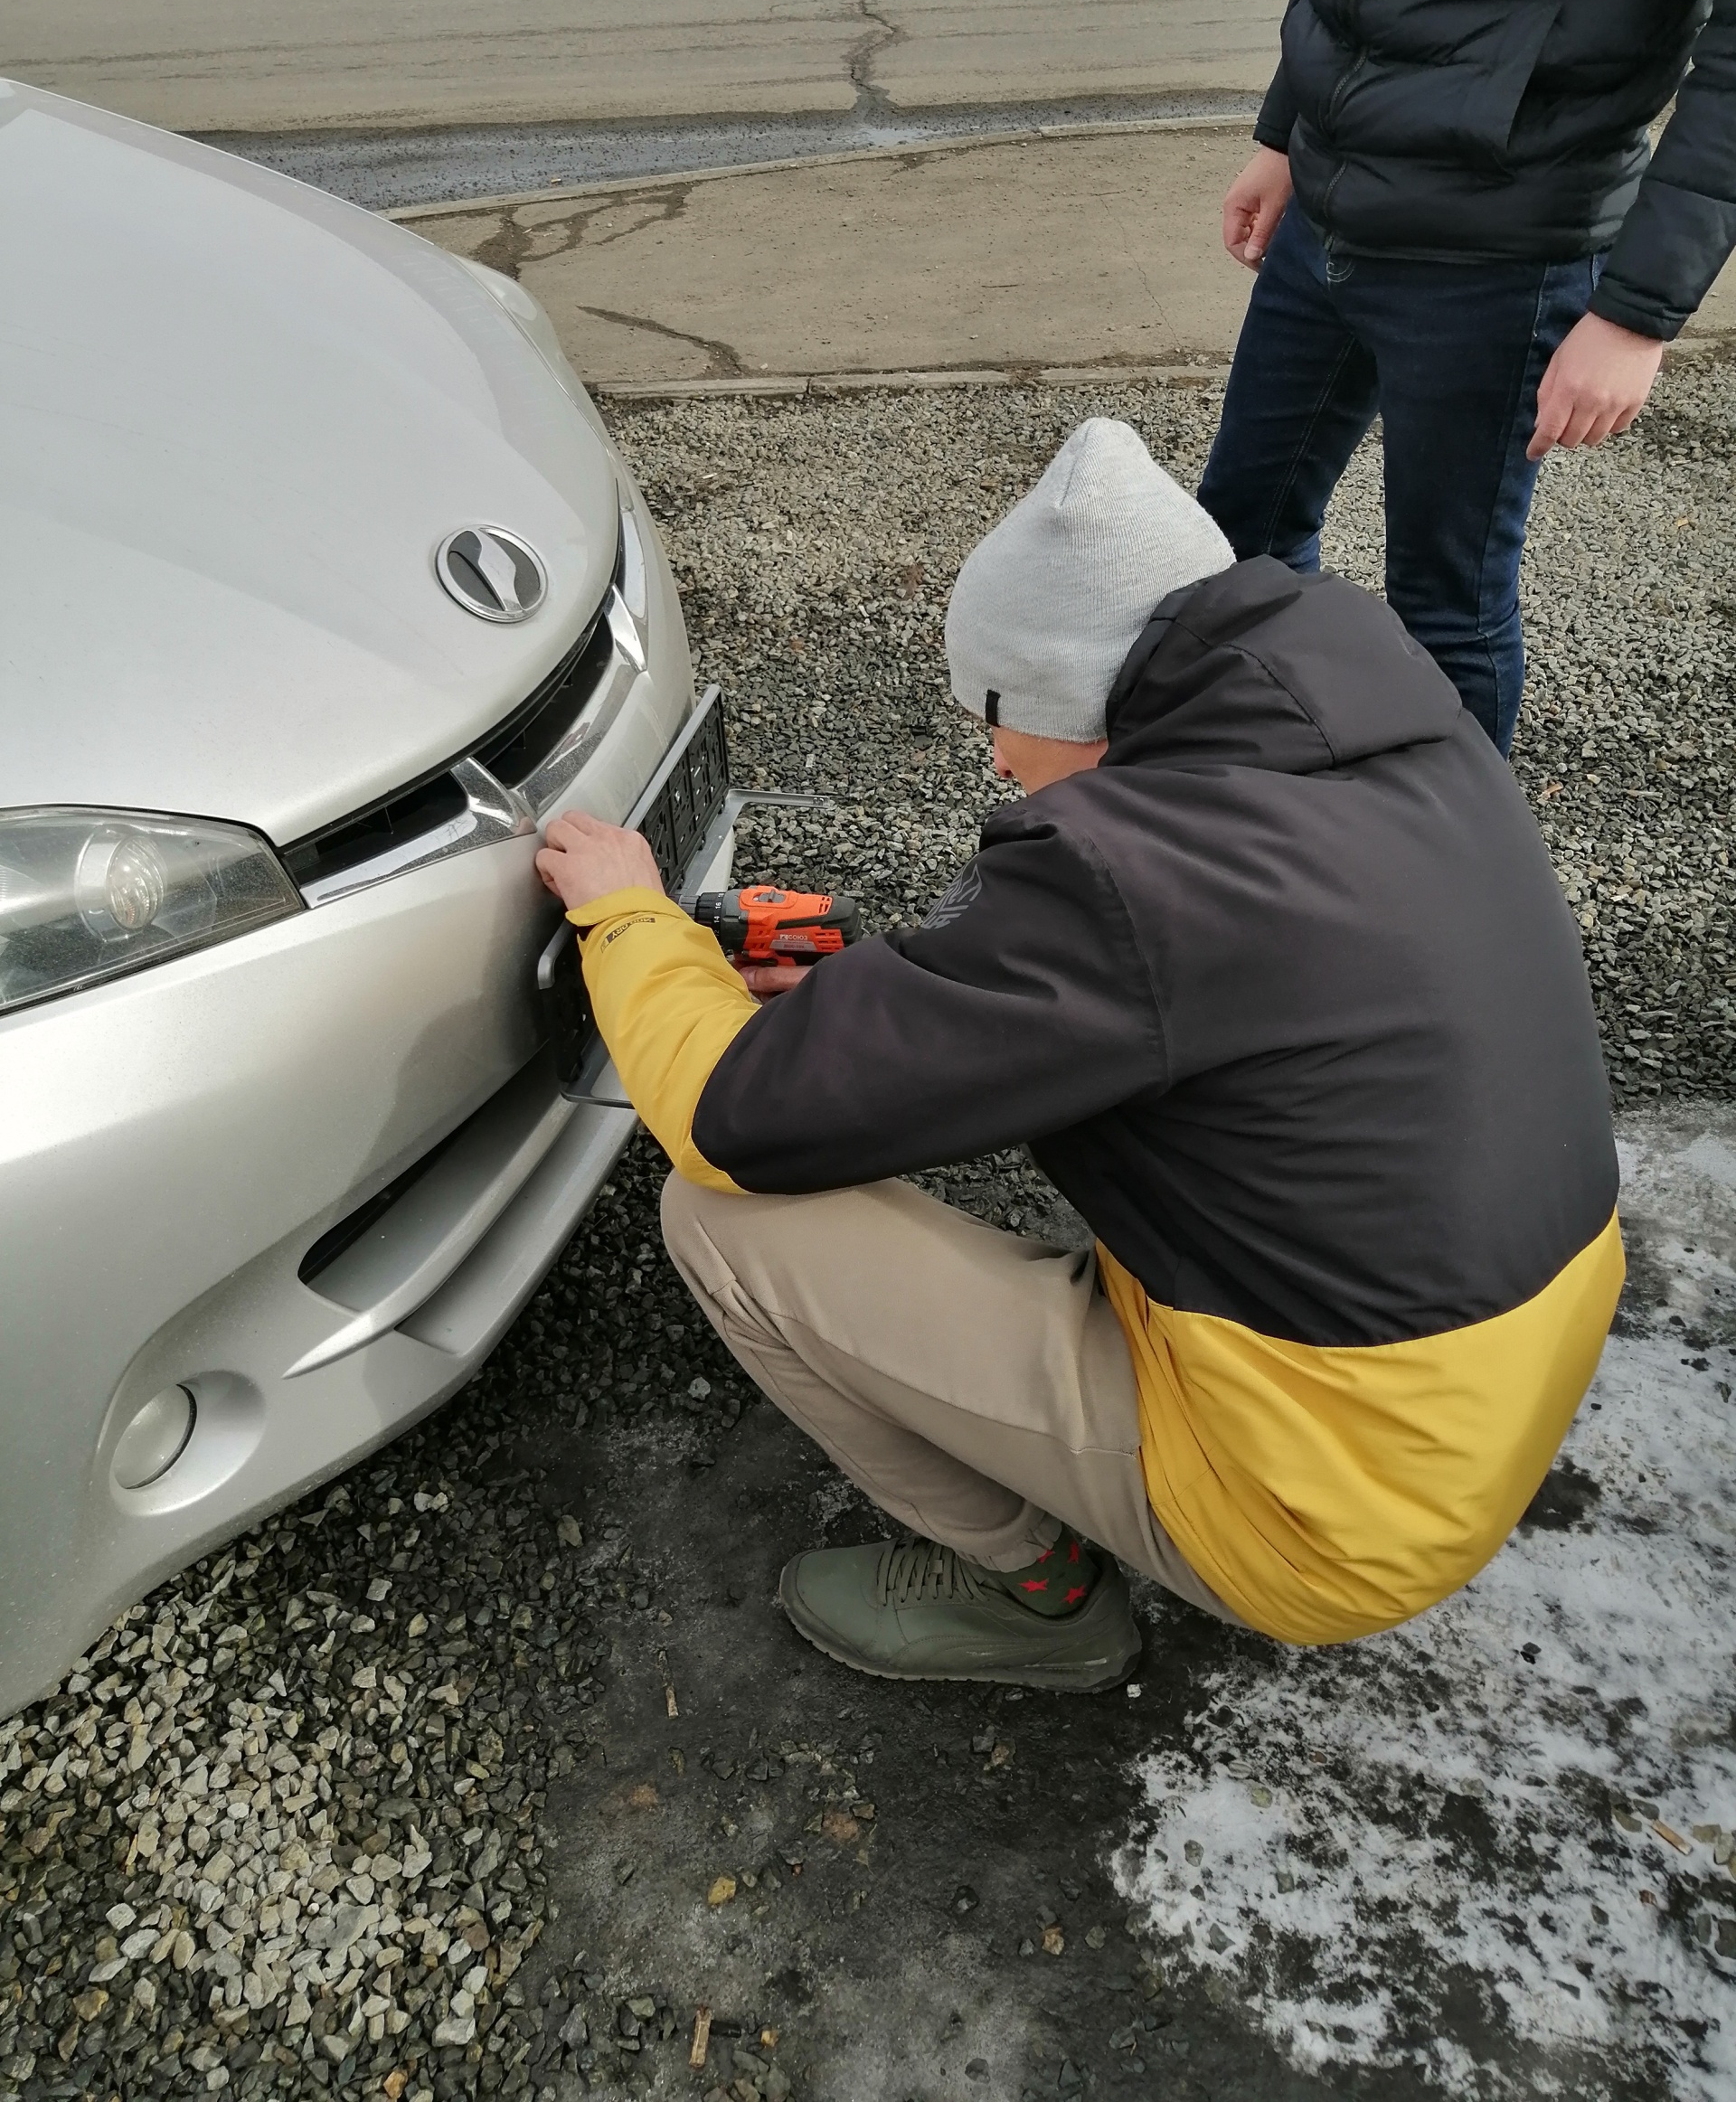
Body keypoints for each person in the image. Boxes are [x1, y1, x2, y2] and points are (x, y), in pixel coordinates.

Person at [535, 419, 1623, 1692]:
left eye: (1001, 718)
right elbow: (1195, 991)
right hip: (1474, 1398)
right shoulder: (1408, 740)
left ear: (1072, 691)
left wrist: (626, 917)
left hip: (1330, 1513)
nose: (997, 758)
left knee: (721, 1223)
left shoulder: (1128, 876)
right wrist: (887, 991)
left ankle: (1041, 1598)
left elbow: (732, 1117)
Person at [1198, 0, 1736, 757]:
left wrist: (1637, 313)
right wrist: (1289, 130)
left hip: (1500, 244)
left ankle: (1448, 889)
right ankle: (1280, 820)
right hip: (1332, 204)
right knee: (1236, 546)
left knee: (1443, 609)